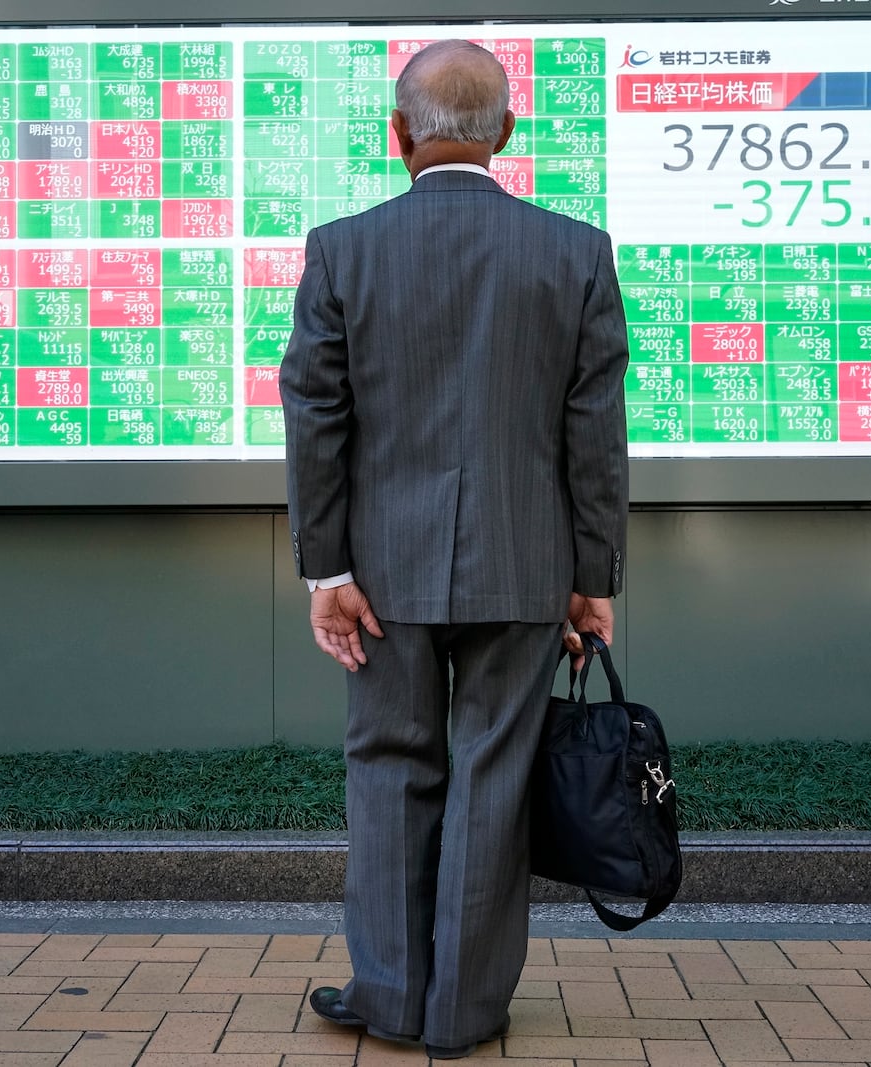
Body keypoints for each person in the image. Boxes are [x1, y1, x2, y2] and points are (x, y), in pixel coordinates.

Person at [280, 38, 630, 1060]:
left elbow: (315, 416)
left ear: (400, 136)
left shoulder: (342, 248)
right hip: (526, 565)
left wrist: (328, 570)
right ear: (506, 136)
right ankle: (466, 1012)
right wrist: (592, 577)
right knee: (494, 771)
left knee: (389, 766)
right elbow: (593, 434)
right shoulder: (573, 251)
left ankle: (390, 997)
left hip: (380, 572)